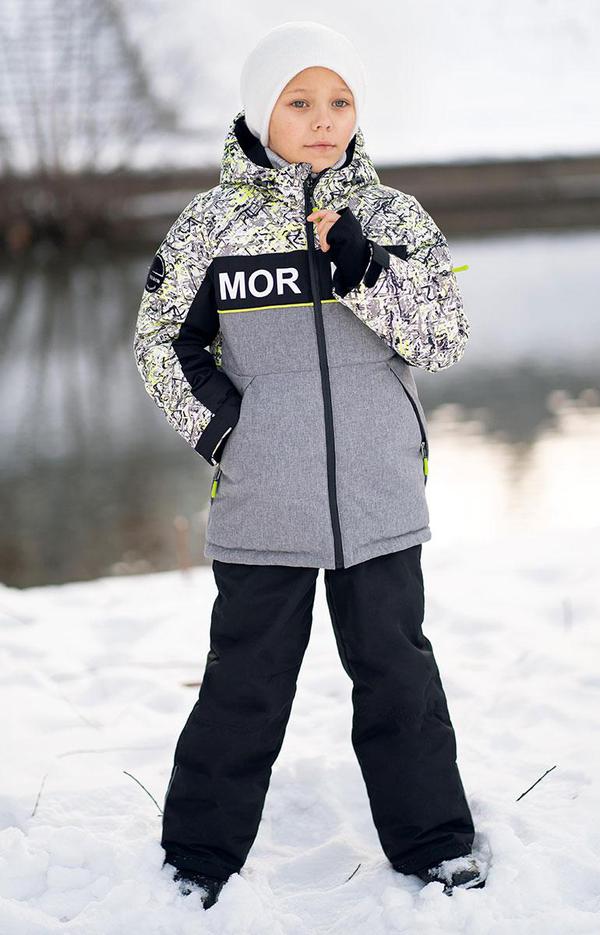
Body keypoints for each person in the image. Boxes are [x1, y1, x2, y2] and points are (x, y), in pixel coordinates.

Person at [133, 20, 488, 911]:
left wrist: (365, 269)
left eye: (339, 101)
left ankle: (437, 845)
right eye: (299, 101)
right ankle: (198, 857)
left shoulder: (395, 216)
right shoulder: (213, 225)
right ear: (263, 111)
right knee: (245, 685)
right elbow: (162, 342)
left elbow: (444, 335)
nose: (323, 119)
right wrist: (231, 433)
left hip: (379, 496)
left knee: (399, 677)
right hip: (266, 500)